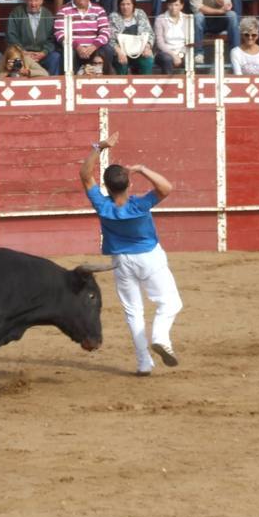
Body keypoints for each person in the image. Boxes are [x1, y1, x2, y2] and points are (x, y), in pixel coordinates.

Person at [79, 131, 182, 376]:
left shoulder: (102, 205)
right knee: (170, 302)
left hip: (121, 262)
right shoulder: (139, 205)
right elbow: (166, 188)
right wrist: (142, 168)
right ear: (130, 183)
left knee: (133, 312)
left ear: (107, 186)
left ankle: (144, 362)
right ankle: (160, 336)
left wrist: (100, 146)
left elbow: (85, 175)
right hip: (149, 257)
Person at [56, 0, 112, 74]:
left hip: (94, 48)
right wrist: (77, 46)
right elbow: (59, 33)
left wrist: (94, 46)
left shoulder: (99, 10)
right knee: (68, 52)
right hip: (73, 48)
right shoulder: (63, 10)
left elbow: (105, 32)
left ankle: (105, 80)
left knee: (108, 50)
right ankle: (70, 82)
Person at [6, 0, 61, 76]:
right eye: (30, 0)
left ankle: (52, 86)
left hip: (42, 54)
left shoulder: (48, 14)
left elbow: (52, 38)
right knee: (14, 58)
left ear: (42, 0)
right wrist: (23, 52)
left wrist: (44, 52)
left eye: (36, 0)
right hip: (22, 54)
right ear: (25, 0)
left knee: (55, 57)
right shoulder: (16, 13)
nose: (33, 4)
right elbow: (11, 36)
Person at [109, 0, 154, 75]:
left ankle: (145, 86)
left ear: (133, 5)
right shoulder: (113, 16)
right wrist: (119, 52)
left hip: (139, 51)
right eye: (122, 4)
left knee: (148, 60)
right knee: (121, 63)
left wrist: (147, 47)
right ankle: (122, 87)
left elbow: (150, 33)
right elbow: (111, 39)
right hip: (122, 51)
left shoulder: (140, 13)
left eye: (128, 4)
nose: (125, 7)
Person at [154, 0, 190, 73]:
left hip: (182, 51)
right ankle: (168, 85)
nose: (173, 8)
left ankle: (190, 84)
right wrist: (174, 55)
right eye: (171, 4)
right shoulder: (160, 19)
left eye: (176, 5)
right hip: (164, 52)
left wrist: (180, 54)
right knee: (167, 59)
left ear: (182, 6)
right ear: (167, 5)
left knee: (190, 60)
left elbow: (189, 41)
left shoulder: (188, 18)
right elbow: (160, 43)